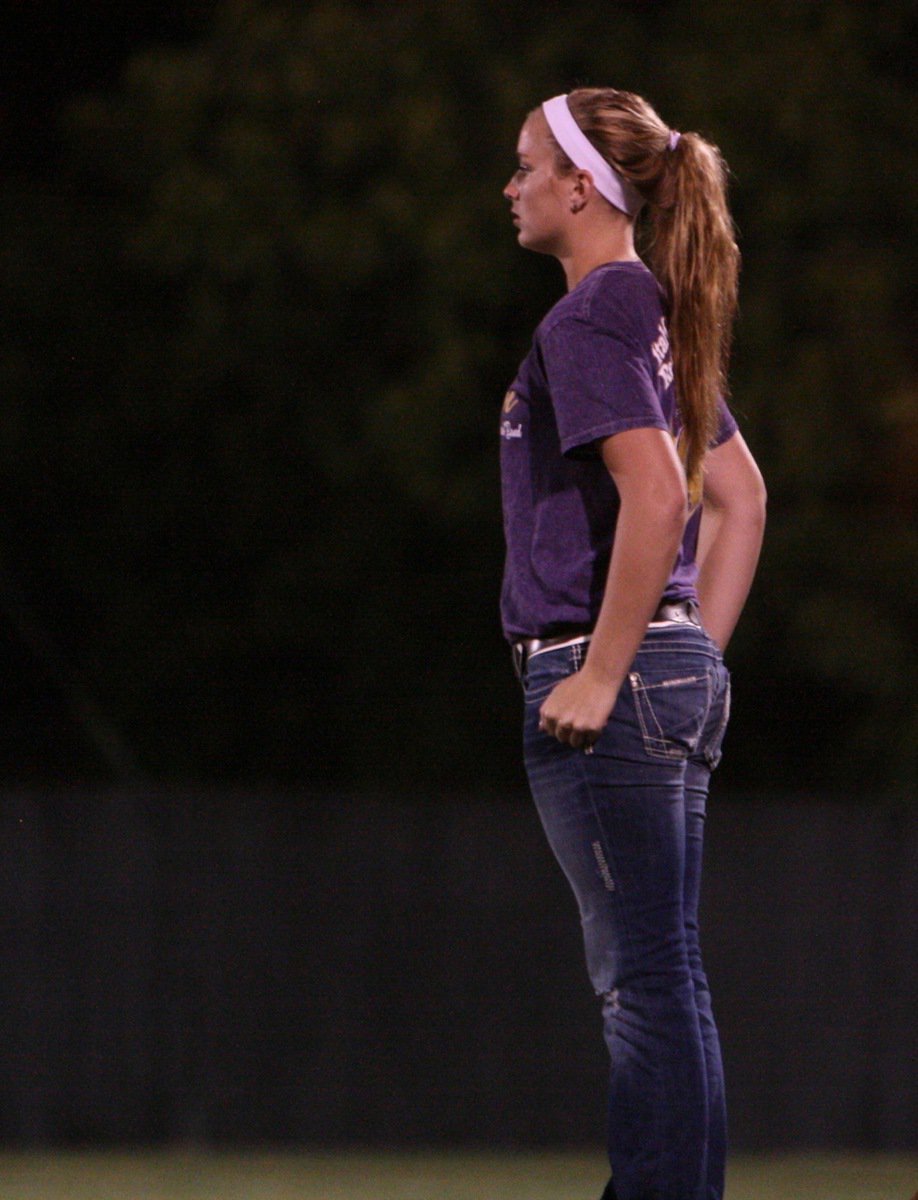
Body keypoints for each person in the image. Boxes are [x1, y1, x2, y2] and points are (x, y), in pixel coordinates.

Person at [500, 89, 766, 1200]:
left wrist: (612, 673)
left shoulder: (590, 317)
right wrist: (693, 658)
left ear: (580, 186)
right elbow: (741, 501)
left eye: (526, 167)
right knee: (667, 973)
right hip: (667, 671)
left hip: (605, 674)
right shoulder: (652, 309)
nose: (511, 188)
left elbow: (663, 498)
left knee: (642, 984)